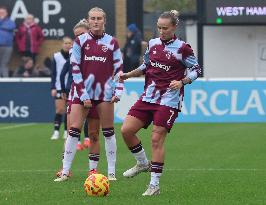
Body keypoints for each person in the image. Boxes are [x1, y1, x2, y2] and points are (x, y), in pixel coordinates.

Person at [119, 10, 202, 196]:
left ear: (174, 27)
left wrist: (182, 82)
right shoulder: (153, 43)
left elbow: (196, 69)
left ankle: (154, 185)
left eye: (165, 28)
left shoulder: (183, 48)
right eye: (159, 28)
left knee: (156, 139)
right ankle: (142, 163)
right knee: (126, 130)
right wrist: (128, 75)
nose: (161, 31)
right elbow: (146, 65)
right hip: (148, 97)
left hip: (169, 100)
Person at [54, 7, 124, 182]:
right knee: (73, 130)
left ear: (104, 21)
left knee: (106, 132)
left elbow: (118, 68)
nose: (95, 21)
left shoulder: (112, 42)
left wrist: (119, 90)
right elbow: (75, 69)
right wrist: (83, 94)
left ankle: (111, 172)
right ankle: (65, 171)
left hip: (104, 93)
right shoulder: (80, 41)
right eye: (92, 18)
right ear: (88, 20)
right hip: (82, 93)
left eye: (99, 18)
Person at [59, 19, 97, 151]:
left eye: (82, 34)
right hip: (76, 90)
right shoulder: (74, 49)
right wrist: (64, 88)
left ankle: (94, 169)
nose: (78, 38)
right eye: (76, 35)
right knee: (71, 129)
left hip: (95, 91)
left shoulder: (101, 47)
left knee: (95, 133)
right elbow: (71, 72)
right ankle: (65, 169)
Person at [50, 37, 72, 140]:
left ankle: (66, 131)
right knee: (59, 109)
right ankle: (56, 131)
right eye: (65, 43)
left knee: (69, 110)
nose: (67, 45)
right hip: (59, 86)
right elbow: (54, 73)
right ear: (62, 44)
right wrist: (53, 87)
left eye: (69, 43)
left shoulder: (74, 56)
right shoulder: (56, 56)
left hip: (71, 86)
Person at [0, 6, 16, 77]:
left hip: (7, 46)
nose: (1, 14)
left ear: (6, 13)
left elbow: (11, 27)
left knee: (4, 63)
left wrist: (2, 21)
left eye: (3, 12)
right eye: (0, 12)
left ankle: (5, 80)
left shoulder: (10, 21)